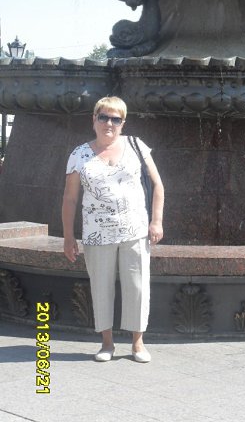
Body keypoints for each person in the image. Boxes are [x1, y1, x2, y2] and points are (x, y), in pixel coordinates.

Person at [62, 96, 164, 363]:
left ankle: (138, 343)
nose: (109, 123)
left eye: (116, 119)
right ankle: (107, 343)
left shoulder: (136, 146)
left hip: (135, 231)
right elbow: (70, 199)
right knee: (101, 287)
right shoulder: (79, 155)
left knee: (137, 286)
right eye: (104, 117)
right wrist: (69, 237)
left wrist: (156, 221)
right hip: (97, 234)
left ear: (123, 123)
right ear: (94, 119)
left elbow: (158, 185)